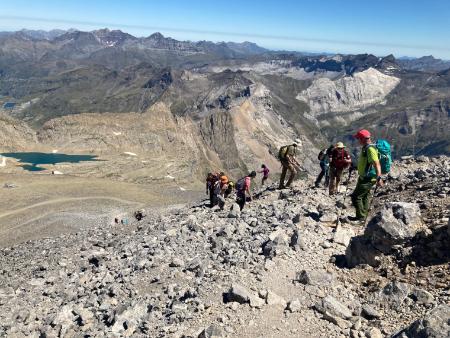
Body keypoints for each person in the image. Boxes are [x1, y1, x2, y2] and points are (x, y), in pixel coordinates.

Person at [349, 129, 383, 223]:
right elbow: (366, 163)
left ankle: (361, 218)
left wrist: (379, 177)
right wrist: (356, 167)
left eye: (358, 138)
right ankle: (362, 216)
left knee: (356, 197)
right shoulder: (366, 147)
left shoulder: (370, 149)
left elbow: (376, 163)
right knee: (365, 196)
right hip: (365, 176)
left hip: (368, 178)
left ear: (363, 139)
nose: (357, 140)